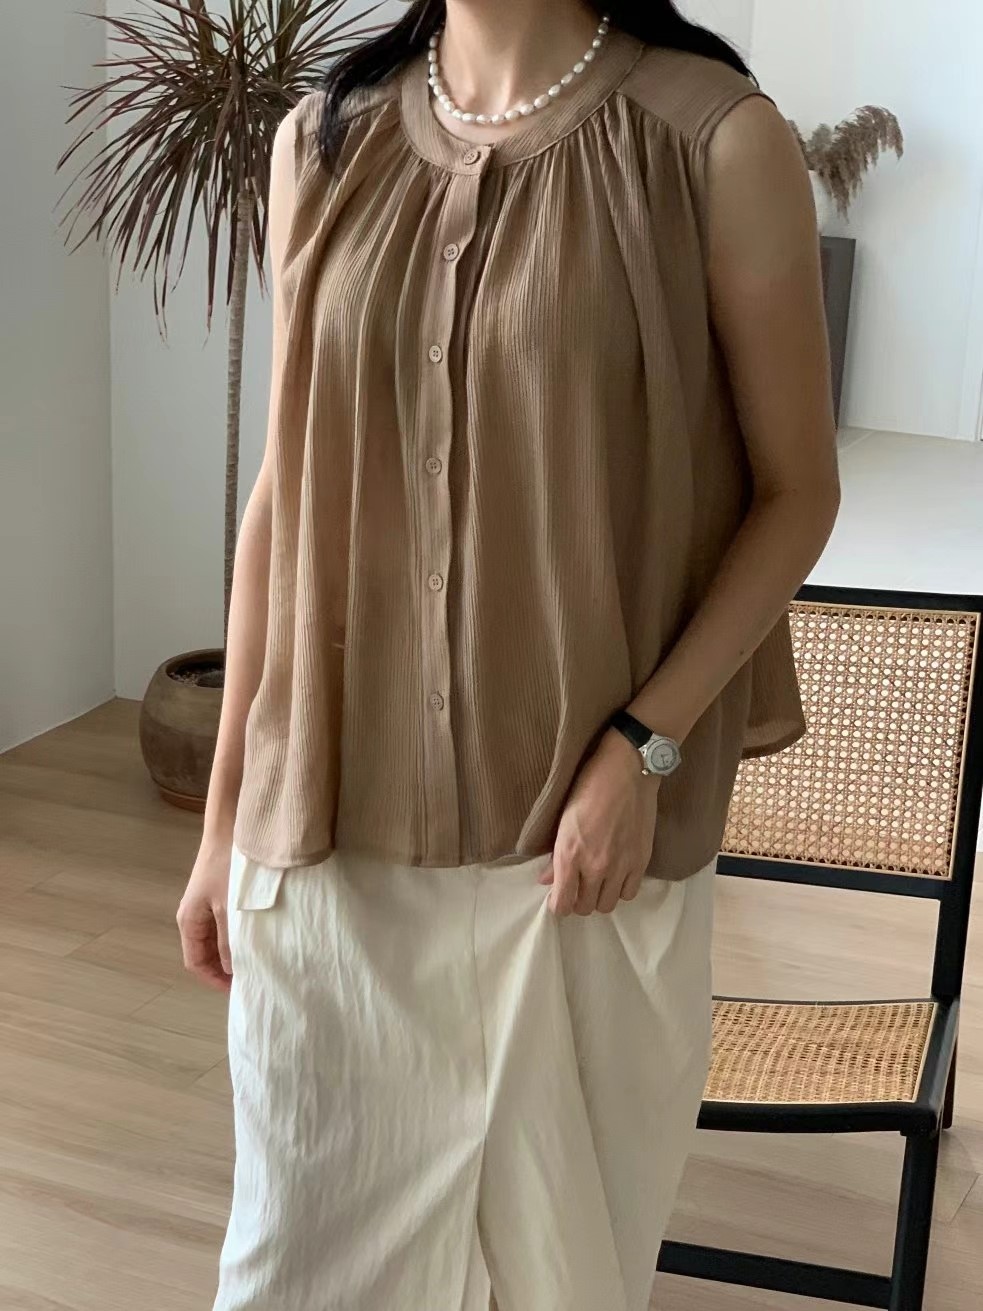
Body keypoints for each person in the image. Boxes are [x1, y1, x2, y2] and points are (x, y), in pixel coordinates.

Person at [177, 2, 840, 1307]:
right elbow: (282, 499)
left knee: (565, 1279)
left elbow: (797, 493)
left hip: (579, 861)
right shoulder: (323, 140)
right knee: (294, 1273)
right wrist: (220, 825)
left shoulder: (714, 142)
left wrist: (643, 750)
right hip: (333, 847)